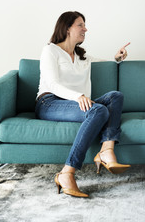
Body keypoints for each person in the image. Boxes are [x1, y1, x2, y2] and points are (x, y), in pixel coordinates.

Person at [35, 11, 131, 198]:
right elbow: (53, 83)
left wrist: (117, 58)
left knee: (115, 96)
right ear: (67, 28)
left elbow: (106, 63)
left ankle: (106, 150)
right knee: (98, 111)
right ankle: (67, 173)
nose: (85, 29)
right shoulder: (50, 50)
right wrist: (78, 96)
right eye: (80, 25)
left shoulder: (83, 56)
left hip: (76, 104)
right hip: (49, 102)